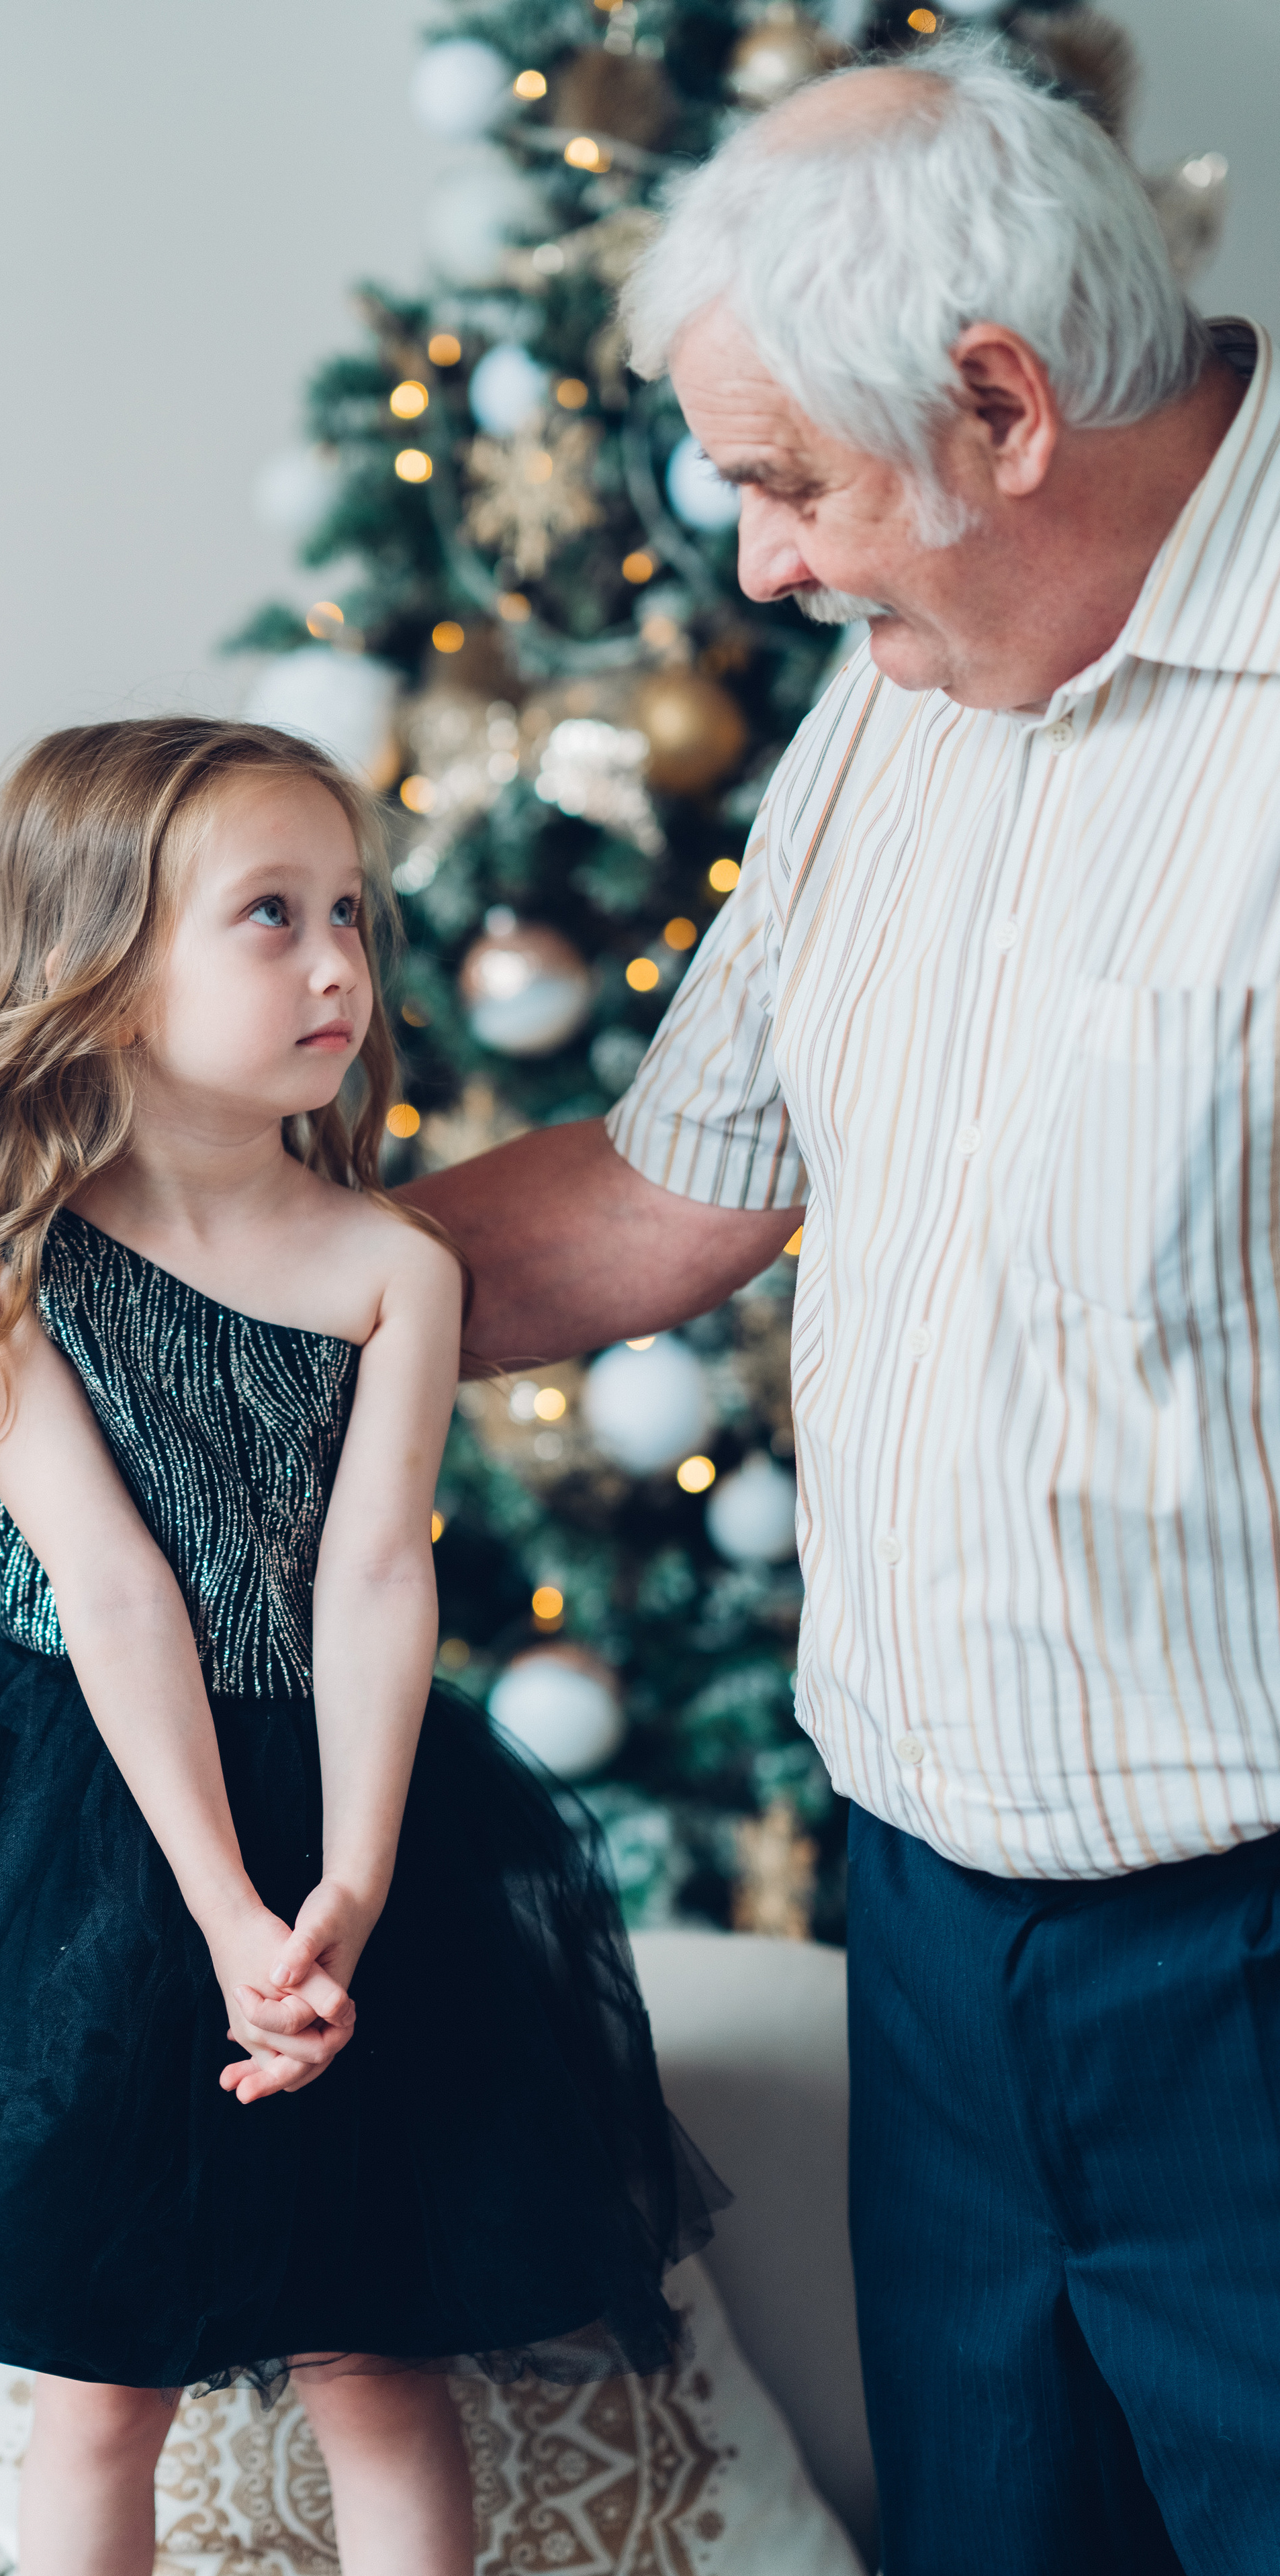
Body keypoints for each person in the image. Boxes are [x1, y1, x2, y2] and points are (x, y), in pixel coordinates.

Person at [403, 40, 1280, 2576]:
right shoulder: (888, 720)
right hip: (930, 1949)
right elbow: (663, 1200)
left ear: (1001, 406)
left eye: (791, 481)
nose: (765, 565)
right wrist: (188, 1302)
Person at [0, 718, 722, 2576]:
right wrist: (224, 1914)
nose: (339, 963)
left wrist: (350, 1880)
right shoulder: (6, 1270)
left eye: (350, 912)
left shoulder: (394, 1267)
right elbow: (119, 1594)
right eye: (270, 916)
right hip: (93, 1841)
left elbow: (377, 1576)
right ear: (101, 968)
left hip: (351, 1814)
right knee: (100, 2391)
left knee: (380, 2362)